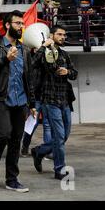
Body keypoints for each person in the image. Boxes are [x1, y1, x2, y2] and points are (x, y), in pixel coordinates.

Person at [0, 10, 37, 192]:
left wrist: (33, 104)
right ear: (7, 25)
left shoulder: (25, 51)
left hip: (20, 102)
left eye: (22, 24)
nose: (21, 27)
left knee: (15, 140)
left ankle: (11, 179)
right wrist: (4, 59)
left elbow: (29, 79)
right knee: (4, 133)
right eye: (17, 23)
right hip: (0, 98)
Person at [31, 25, 78, 180]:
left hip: (65, 100)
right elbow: (33, 64)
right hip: (50, 100)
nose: (63, 37)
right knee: (59, 137)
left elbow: (74, 73)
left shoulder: (65, 54)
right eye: (59, 34)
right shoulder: (43, 53)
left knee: (64, 136)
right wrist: (42, 47)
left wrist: (68, 72)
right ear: (52, 35)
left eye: (64, 35)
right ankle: (59, 169)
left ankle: (39, 151)